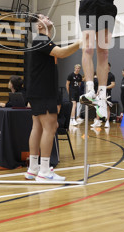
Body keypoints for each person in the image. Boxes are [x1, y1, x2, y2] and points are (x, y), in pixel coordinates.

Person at [24, 14, 81, 181]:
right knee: (50, 127)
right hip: (43, 91)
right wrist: (80, 42)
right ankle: (44, 172)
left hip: (38, 90)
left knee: (38, 127)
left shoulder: (41, 41)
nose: (47, 17)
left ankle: (33, 169)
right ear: (39, 26)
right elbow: (62, 53)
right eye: (43, 17)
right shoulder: (40, 40)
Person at [92, 63, 116, 129]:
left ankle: (107, 121)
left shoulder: (111, 75)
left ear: (109, 67)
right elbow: (99, 84)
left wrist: (106, 87)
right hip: (100, 93)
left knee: (107, 107)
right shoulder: (101, 74)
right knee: (98, 107)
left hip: (107, 94)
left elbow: (113, 84)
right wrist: (97, 92)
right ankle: (97, 120)